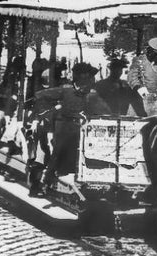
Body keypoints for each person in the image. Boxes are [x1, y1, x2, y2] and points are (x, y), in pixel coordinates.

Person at [34, 62, 110, 191]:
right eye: (86, 79)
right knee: (59, 150)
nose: (90, 82)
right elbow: (40, 95)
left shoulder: (92, 95)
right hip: (65, 125)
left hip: (83, 127)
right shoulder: (66, 90)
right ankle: (47, 181)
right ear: (79, 79)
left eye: (90, 79)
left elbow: (106, 111)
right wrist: (48, 112)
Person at [128, 37, 157, 116]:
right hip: (138, 101)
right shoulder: (139, 60)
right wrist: (139, 87)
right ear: (149, 50)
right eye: (155, 52)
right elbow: (132, 77)